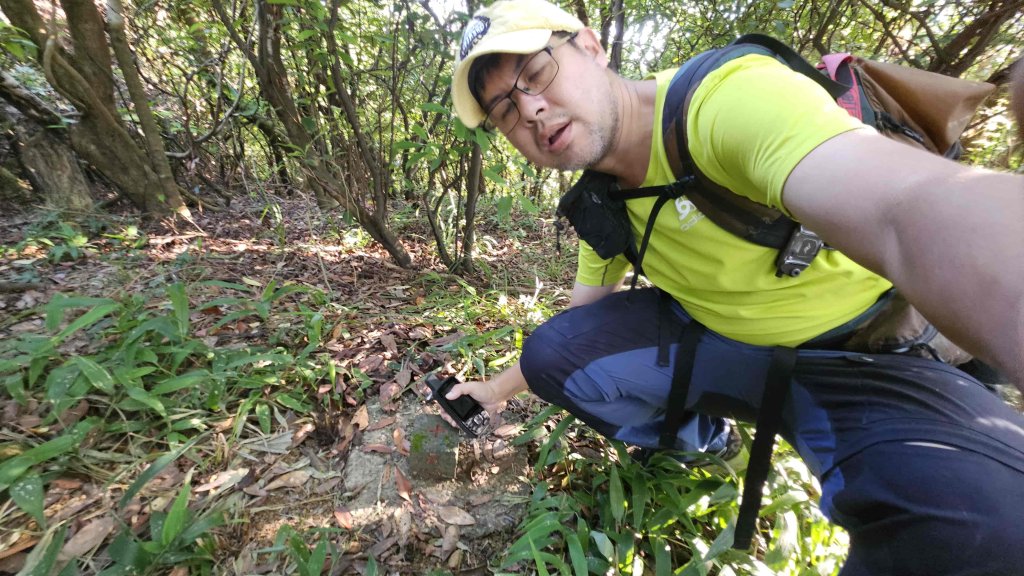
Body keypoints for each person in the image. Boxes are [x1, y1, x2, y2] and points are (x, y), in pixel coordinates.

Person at [441, 1, 1024, 574]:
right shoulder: (603, 199)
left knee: (979, 534)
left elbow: (903, 210)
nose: (531, 109)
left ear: (590, 47)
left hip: (868, 358)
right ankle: (711, 441)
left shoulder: (727, 101)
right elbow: (575, 325)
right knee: (554, 355)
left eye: (536, 71)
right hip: (728, 348)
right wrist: (495, 390)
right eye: (505, 110)